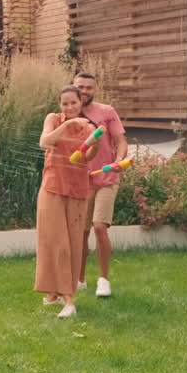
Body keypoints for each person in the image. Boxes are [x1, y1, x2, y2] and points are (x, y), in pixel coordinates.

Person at [36, 85, 97, 318]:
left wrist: (96, 144)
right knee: (54, 240)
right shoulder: (53, 119)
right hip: (52, 187)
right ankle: (66, 299)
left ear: (81, 103)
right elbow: (45, 142)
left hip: (77, 189)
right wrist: (66, 125)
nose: (69, 107)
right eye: (65, 103)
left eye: (73, 102)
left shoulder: (89, 128)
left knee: (71, 243)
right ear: (60, 105)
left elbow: (87, 157)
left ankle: (57, 294)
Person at [73, 72, 128, 298]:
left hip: (106, 179)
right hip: (81, 182)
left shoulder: (106, 112)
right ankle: (80, 280)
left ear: (94, 90)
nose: (85, 91)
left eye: (89, 88)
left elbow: (121, 141)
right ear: (73, 87)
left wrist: (118, 161)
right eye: (81, 87)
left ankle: (104, 280)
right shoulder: (68, 113)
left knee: (98, 226)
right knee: (81, 233)